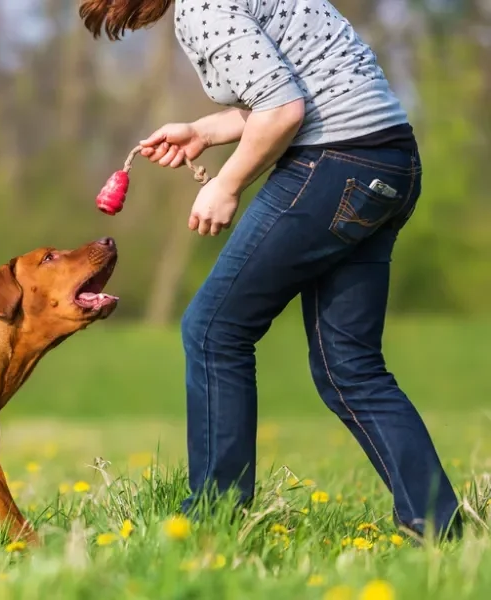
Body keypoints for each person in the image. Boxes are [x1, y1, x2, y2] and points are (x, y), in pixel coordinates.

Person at [79, 0, 462, 538]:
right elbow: (290, 88)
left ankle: (214, 521)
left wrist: (226, 185)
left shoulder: (201, 7)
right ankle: (438, 528)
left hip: (335, 163)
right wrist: (203, 131)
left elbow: (283, 112)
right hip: (391, 160)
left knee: (214, 330)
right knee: (349, 366)